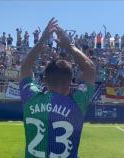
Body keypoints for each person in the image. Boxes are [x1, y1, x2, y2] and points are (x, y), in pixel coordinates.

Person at [20, 18, 97, 158]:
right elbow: (90, 69)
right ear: (70, 84)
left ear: (44, 81)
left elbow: (25, 67)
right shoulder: (77, 103)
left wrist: (41, 41)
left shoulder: (31, 97)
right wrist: (70, 46)